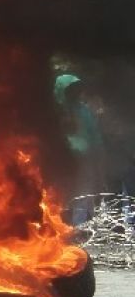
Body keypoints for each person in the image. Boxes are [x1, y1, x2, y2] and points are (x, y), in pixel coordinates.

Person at [55, 74, 106, 226]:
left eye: (76, 89)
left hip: (84, 159)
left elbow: (94, 134)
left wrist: (98, 152)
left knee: (84, 191)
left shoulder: (83, 110)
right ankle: (61, 227)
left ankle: (79, 226)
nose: (74, 93)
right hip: (62, 160)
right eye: (70, 89)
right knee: (61, 194)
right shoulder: (54, 112)